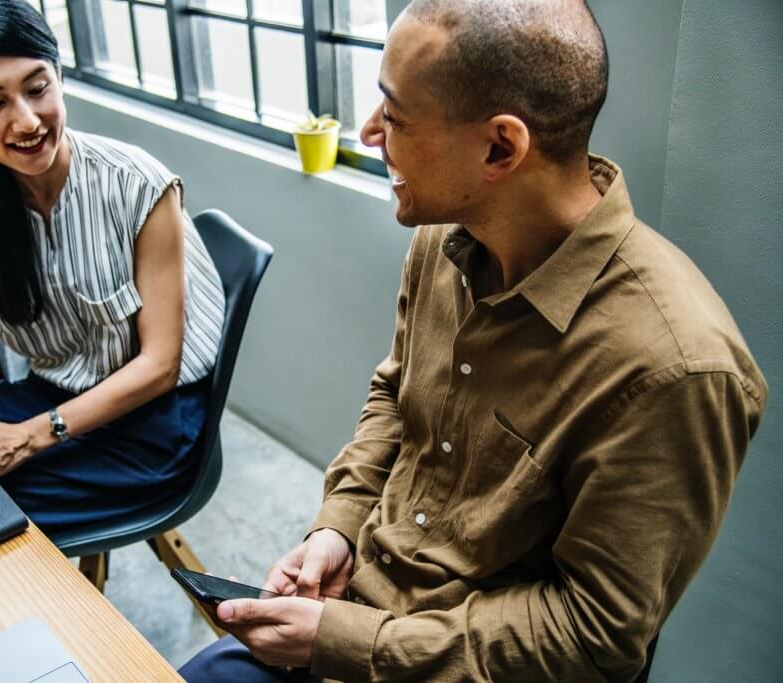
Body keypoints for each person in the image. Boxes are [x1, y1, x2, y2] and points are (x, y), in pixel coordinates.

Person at [180, 1, 768, 681]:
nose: (370, 132)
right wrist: (337, 526)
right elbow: (397, 393)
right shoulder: (445, 237)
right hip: (358, 603)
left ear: (500, 148)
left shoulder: (677, 367)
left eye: (395, 118)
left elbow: (594, 634)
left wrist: (353, 642)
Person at [0, 0, 225, 529]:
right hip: (49, 397)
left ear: (59, 75)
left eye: (37, 88)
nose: (28, 120)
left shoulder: (137, 184)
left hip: (152, 421)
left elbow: (159, 365)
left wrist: (29, 437)